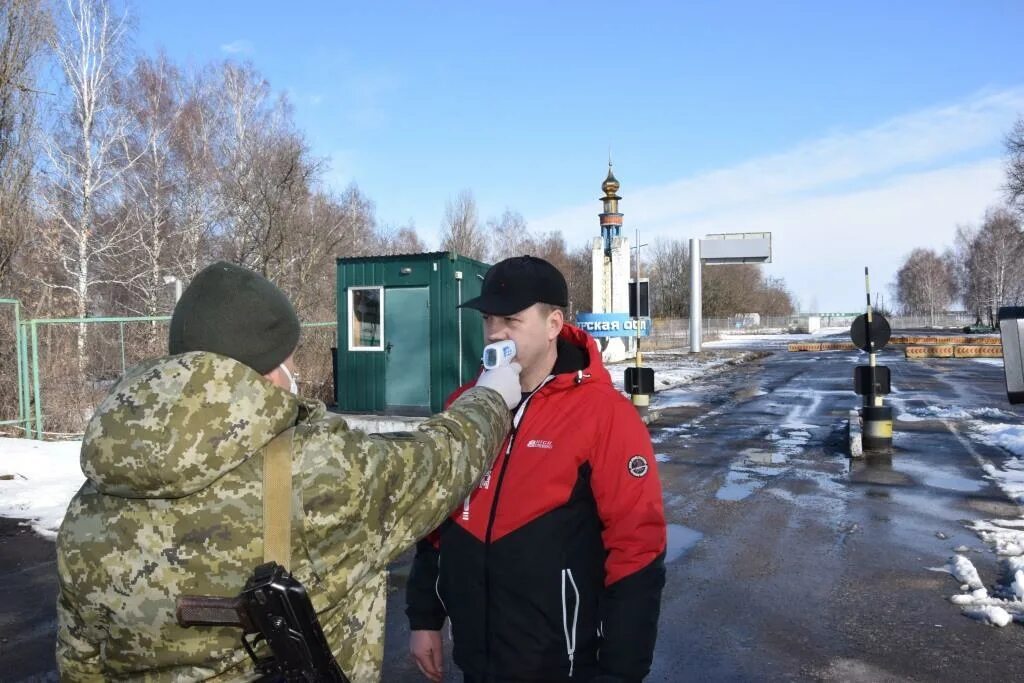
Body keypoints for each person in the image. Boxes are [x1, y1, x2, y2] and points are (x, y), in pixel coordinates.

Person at [55, 261, 523, 681]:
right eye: (290, 356)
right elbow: (438, 462)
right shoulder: (315, 469)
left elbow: (79, 659)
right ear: (270, 366)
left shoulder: (94, 496)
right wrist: (492, 396)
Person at [406, 256, 667, 682]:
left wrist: (621, 672)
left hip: (559, 663)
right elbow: (436, 523)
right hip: (476, 658)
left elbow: (637, 547)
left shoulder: (605, 415)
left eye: (511, 319)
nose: (495, 333)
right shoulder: (465, 405)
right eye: (489, 319)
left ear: (553, 324)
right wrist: (424, 618)